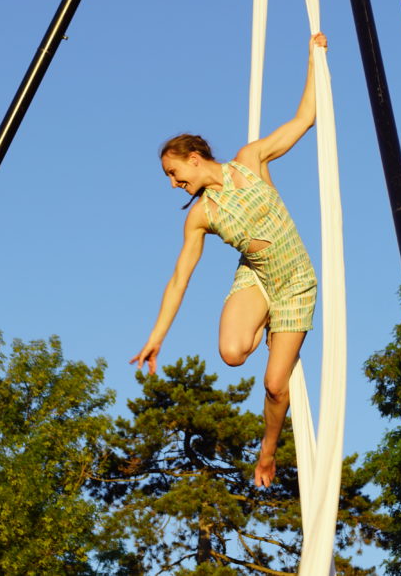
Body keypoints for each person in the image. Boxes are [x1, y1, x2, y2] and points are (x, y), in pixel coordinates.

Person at [131, 33, 327, 488]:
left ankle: (267, 454)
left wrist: (314, 57)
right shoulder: (201, 216)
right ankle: (266, 326)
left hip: (296, 281)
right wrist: (156, 338)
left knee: (276, 386)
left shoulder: (250, 161)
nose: (173, 183)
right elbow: (179, 278)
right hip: (257, 279)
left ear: (194, 159)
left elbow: (306, 118)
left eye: (173, 173)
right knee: (233, 353)